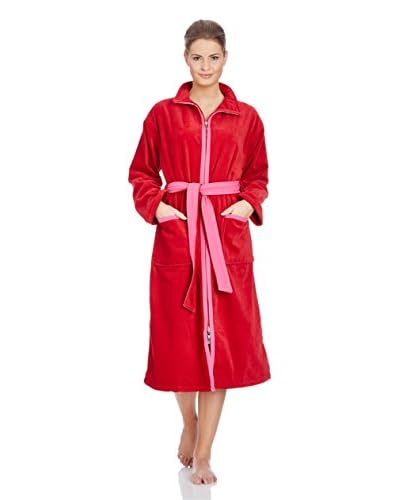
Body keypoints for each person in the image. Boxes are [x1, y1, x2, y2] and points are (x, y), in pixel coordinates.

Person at [127, 19, 271, 485]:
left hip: (225, 234)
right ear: (185, 59)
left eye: (213, 57)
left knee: (223, 345)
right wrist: (159, 208)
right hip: (181, 233)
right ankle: (187, 422)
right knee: (179, 340)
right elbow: (141, 172)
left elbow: (258, 174)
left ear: (225, 58)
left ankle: (205, 452)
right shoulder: (162, 114)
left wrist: (248, 203)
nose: (205, 66)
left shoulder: (246, 116)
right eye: (197, 58)